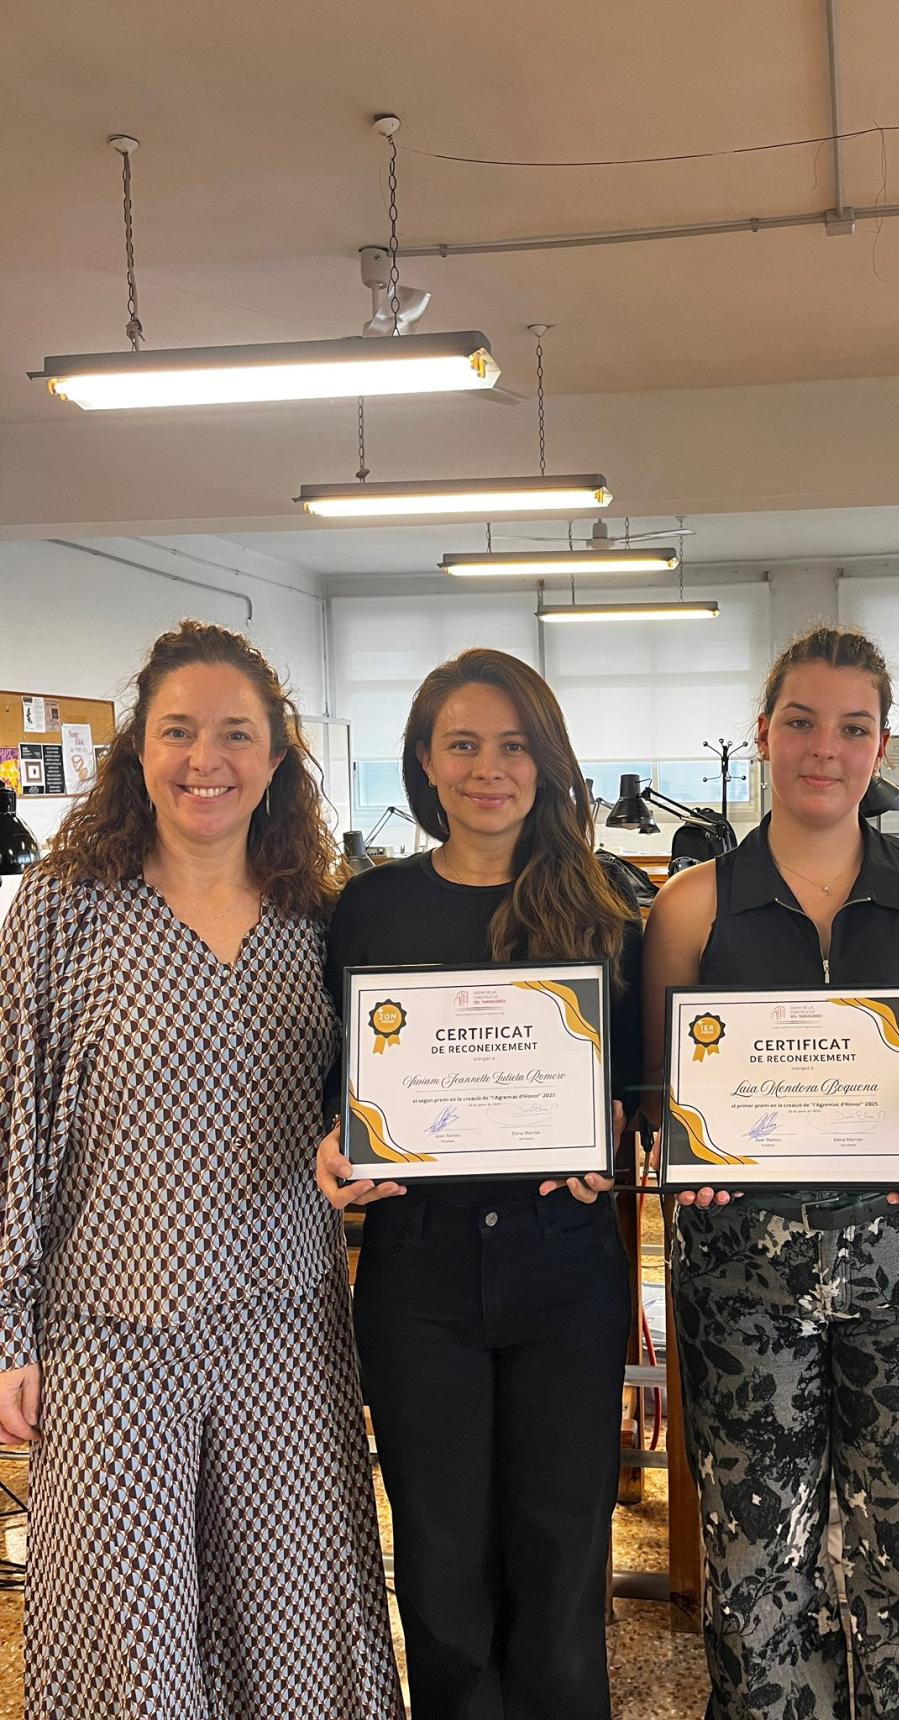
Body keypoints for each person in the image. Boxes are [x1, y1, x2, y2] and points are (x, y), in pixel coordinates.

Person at [0, 621, 403, 1719]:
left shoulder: (318, 919)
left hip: (284, 1321)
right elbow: (14, 1127)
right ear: (139, 749)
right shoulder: (63, 912)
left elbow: (356, 1102)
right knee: (128, 1621)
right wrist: (8, 1333)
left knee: (291, 1612)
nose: (204, 759)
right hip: (111, 1324)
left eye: (235, 734)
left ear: (276, 760)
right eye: (177, 731)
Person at [642, 625, 899, 1720]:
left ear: (880, 743)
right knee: (758, 1571)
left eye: (853, 727)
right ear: (763, 733)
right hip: (742, 1289)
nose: (824, 748)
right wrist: (681, 1144)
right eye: (800, 720)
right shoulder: (691, 905)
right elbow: (663, 1089)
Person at [316, 647, 641, 1720]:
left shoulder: (606, 911)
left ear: (546, 763)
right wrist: (336, 1151)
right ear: (424, 762)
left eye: (512, 745)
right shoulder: (367, 911)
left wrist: (615, 1135)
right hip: (420, 1279)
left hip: (566, 1278)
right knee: (444, 1562)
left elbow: (638, 1089)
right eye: (462, 743)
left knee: (560, 1561)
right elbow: (336, 1090)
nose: (487, 768)